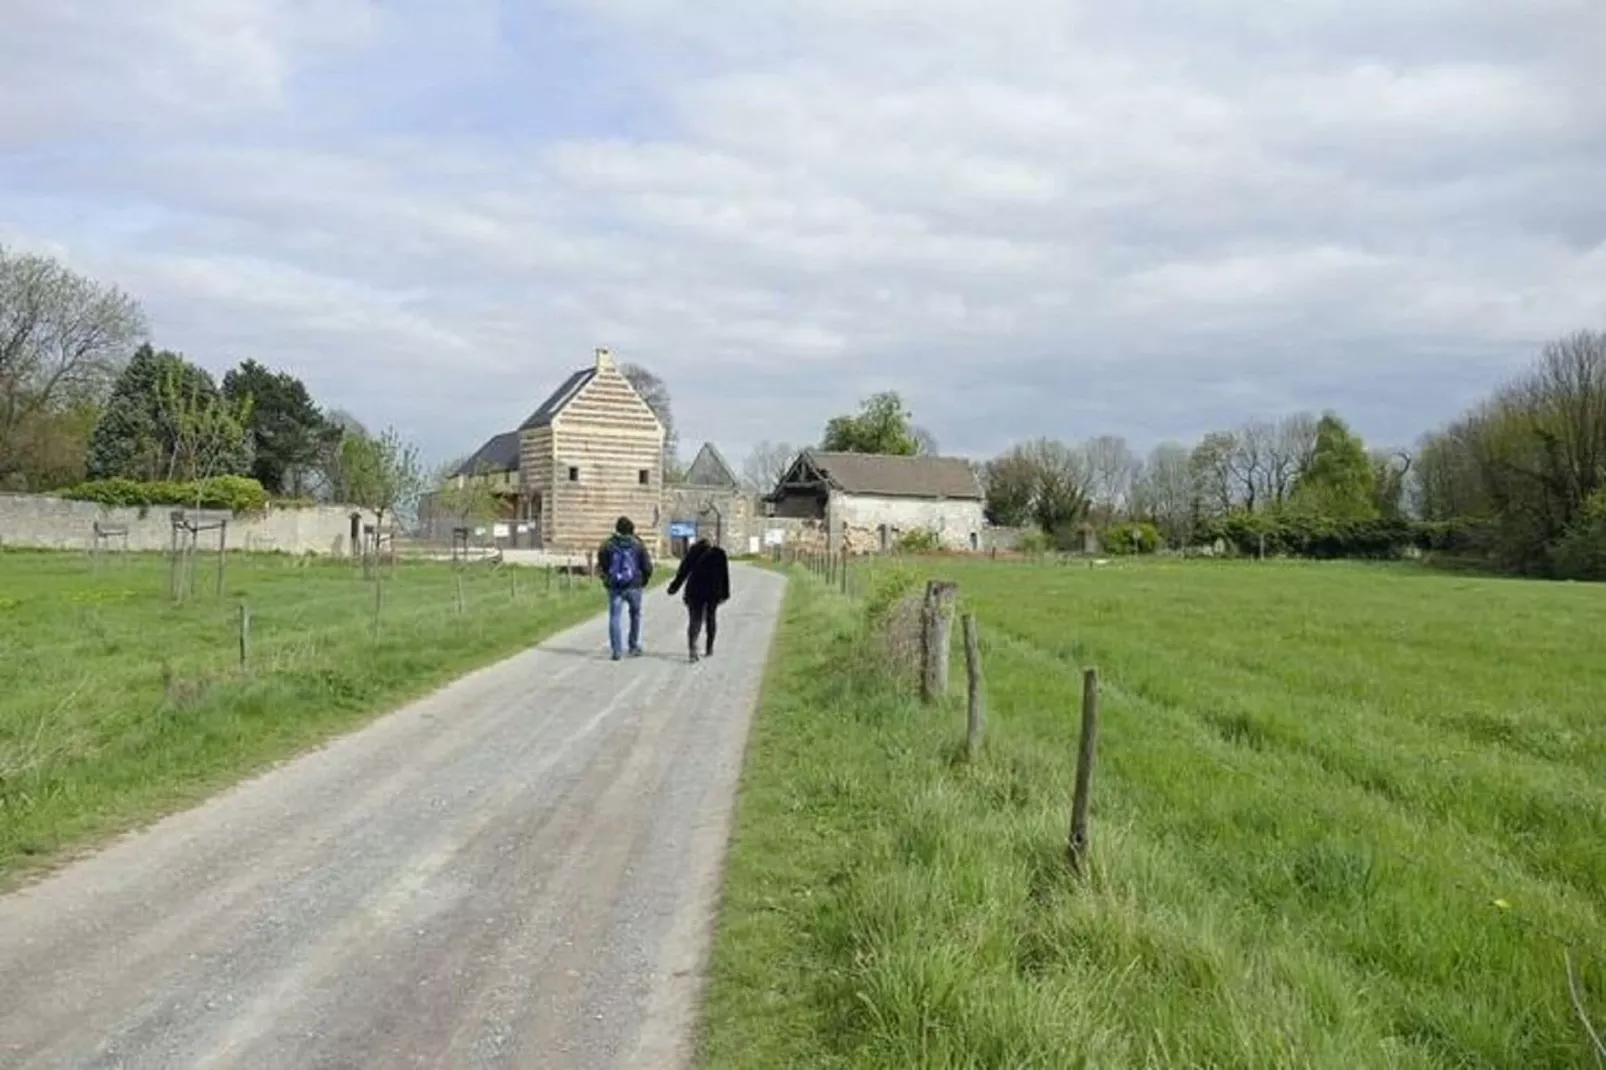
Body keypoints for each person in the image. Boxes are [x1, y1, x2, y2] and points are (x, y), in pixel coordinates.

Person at [596, 516, 653, 660]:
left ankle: (617, 651)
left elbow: (602, 565)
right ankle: (633, 646)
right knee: (635, 614)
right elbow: (647, 566)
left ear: (617, 529)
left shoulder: (608, 545)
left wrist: (607, 580)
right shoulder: (638, 544)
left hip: (615, 586)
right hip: (634, 586)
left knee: (614, 617)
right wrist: (643, 581)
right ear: (632, 529)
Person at [665, 535, 730, 662]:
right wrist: (725, 594)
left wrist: (673, 588)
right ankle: (709, 648)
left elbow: (683, 572)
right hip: (713, 592)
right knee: (711, 617)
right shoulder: (720, 554)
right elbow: (724, 576)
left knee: (695, 620)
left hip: (695, 591)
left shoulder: (693, 552)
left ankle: (692, 648)